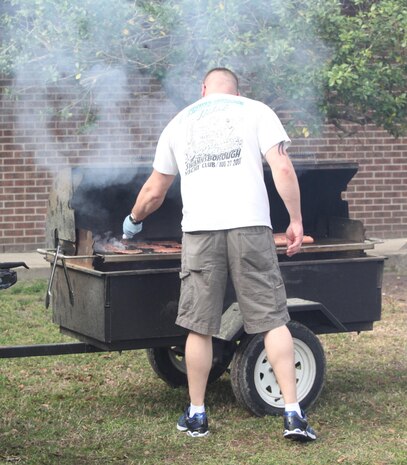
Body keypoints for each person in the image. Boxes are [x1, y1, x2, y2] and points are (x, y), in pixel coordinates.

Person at [123, 67, 317, 441]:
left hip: (200, 231)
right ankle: (292, 414)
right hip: (251, 228)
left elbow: (154, 191)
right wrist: (295, 220)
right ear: (236, 90)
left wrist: (133, 219)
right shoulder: (257, 111)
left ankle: (197, 415)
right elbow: (282, 168)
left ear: (204, 89)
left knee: (200, 325)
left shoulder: (178, 123)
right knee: (272, 319)